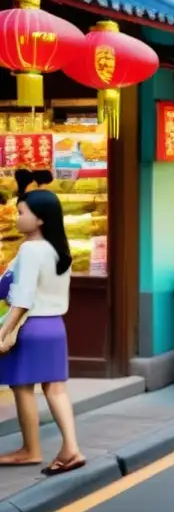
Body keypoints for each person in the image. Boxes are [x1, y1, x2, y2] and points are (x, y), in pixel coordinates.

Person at [0, 171, 84, 475]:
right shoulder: (58, 251)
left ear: (40, 220)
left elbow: (22, 297)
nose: (16, 218)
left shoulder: (31, 250)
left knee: (22, 387)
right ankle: (71, 447)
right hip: (54, 328)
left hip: (31, 328)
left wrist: (5, 330)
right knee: (55, 390)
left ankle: (30, 449)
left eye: (22, 213)